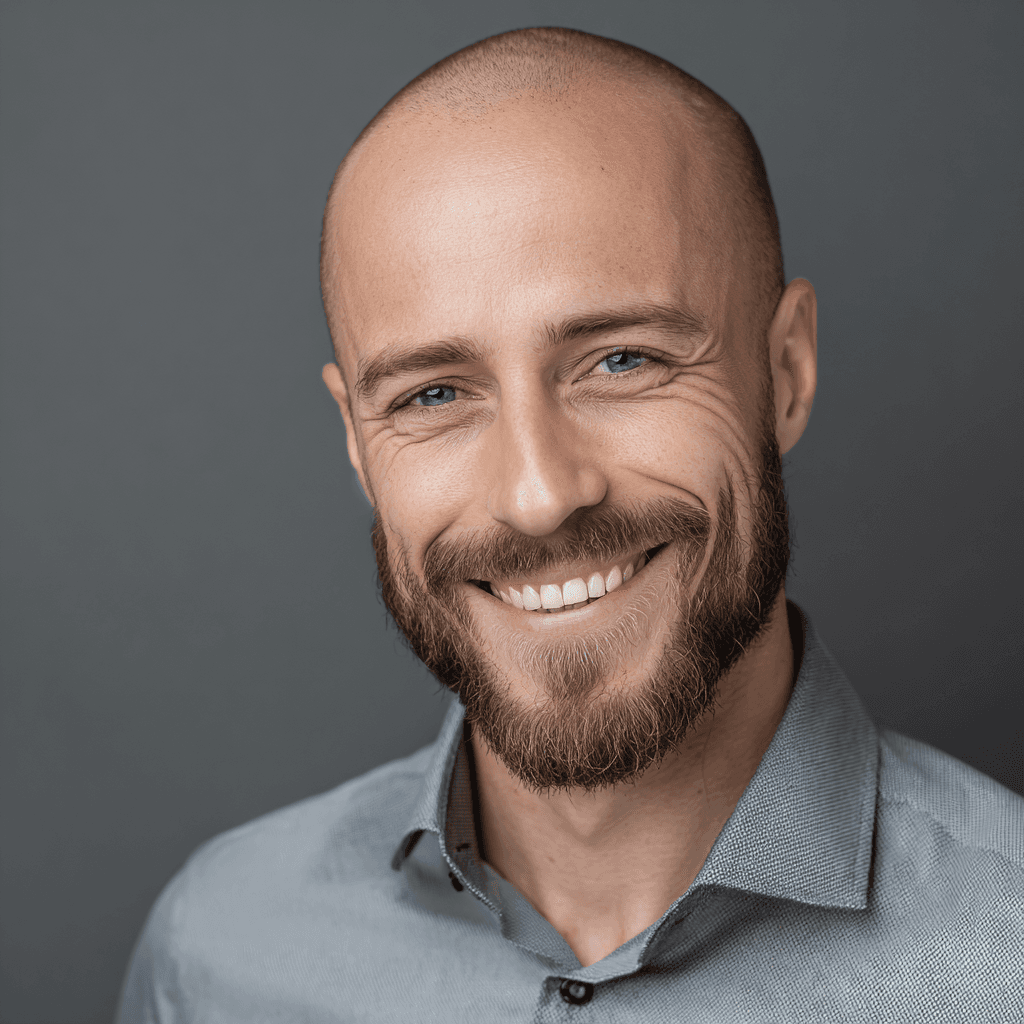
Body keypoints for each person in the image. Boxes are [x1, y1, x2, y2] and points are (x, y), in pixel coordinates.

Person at [116, 27, 1023, 1022]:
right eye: (433, 395)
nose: (539, 492)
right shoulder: (216, 956)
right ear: (356, 444)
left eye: (621, 360)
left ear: (786, 373)